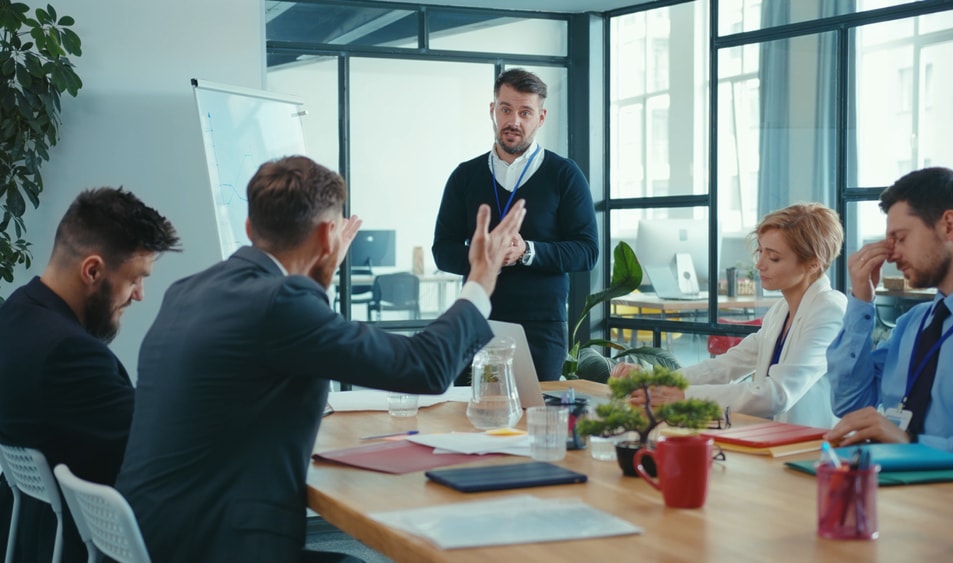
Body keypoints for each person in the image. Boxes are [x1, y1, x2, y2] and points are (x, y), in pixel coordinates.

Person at [115, 155, 525, 562]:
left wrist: (319, 276)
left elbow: (285, 345)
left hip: (150, 536)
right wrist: (479, 282)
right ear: (329, 236)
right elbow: (426, 366)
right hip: (217, 545)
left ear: (249, 228)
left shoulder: (187, 290)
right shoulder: (280, 303)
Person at [0, 187, 180, 563]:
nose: (140, 295)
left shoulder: (16, 314)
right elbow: (165, 451)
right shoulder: (67, 354)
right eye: (135, 279)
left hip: (40, 538)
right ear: (93, 270)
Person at [612, 203, 847, 428]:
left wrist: (682, 396)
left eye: (773, 257)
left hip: (814, 449)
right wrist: (660, 382)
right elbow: (727, 366)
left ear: (813, 264)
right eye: (760, 252)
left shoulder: (828, 309)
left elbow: (777, 394)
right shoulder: (781, 310)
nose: (760, 265)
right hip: (773, 439)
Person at [433, 68, 599, 381]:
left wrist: (527, 251)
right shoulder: (464, 176)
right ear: (492, 110)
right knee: (467, 419)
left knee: (532, 419)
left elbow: (587, 251)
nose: (514, 121)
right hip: (476, 318)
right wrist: (485, 256)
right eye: (506, 109)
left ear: (541, 116)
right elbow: (442, 250)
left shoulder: (565, 175)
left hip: (541, 327)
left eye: (525, 112)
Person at [825, 167, 953, 462]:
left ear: (948, 226)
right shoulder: (914, 323)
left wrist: (911, 443)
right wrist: (861, 300)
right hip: (896, 494)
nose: (891, 255)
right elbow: (850, 403)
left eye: (901, 238)